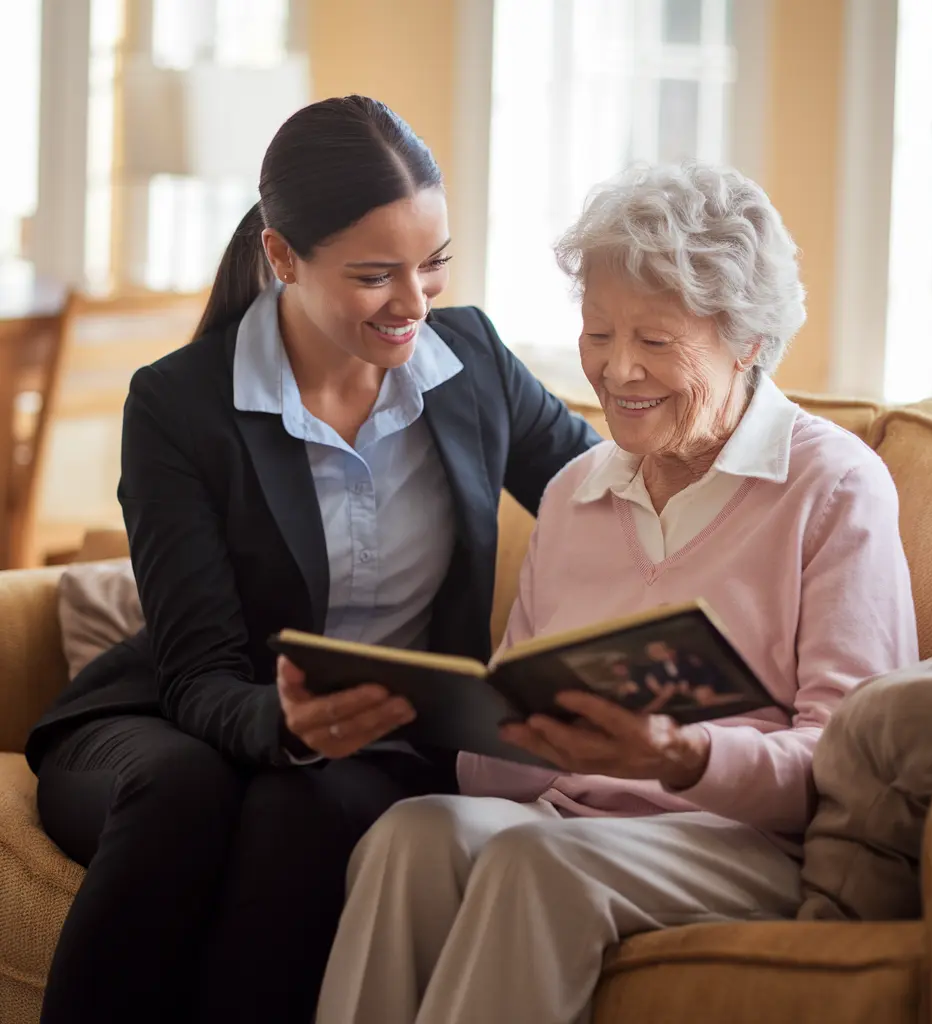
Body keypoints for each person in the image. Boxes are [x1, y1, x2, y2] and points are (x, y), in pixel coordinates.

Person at [25, 96, 599, 1024]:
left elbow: (601, 498)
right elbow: (199, 674)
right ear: (283, 256)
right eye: (376, 275)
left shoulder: (476, 364)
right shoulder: (180, 406)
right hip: (175, 724)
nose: (414, 303)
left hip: (381, 750)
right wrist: (286, 725)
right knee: (189, 792)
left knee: (302, 810)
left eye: (434, 265)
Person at [314, 161, 920, 1024]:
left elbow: (850, 769)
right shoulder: (577, 491)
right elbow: (497, 774)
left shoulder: (831, 487)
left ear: (748, 340)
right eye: (599, 334)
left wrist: (684, 759)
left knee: (535, 866)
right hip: (572, 819)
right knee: (413, 834)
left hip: (745, 841)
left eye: (658, 340)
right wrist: (459, 718)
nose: (618, 370)